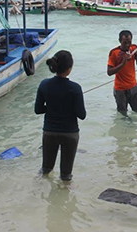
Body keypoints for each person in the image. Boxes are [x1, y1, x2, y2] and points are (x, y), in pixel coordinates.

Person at [35, 50, 86, 181]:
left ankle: (38, 193)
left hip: (49, 132)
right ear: (69, 69)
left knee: (45, 169)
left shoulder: (44, 84)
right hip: (70, 134)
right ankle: (65, 198)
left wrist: (52, 106)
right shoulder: (75, 88)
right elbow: (82, 115)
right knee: (66, 175)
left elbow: (38, 109)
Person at [107, 30, 137, 115]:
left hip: (133, 86)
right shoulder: (114, 52)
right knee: (122, 114)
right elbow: (109, 72)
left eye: (129, 42)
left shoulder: (134, 48)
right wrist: (123, 63)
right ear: (120, 41)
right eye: (124, 43)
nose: (127, 45)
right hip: (120, 89)